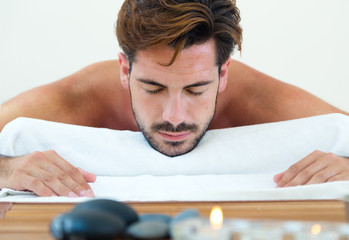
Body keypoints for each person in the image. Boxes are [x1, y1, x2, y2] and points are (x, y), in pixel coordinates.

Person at [0, 0, 348, 197]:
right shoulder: (78, 98)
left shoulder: (259, 99)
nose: (176, 116)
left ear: (223, 73)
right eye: (153, 88)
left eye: (196, 90)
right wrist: (7, 168)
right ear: (125, 70)